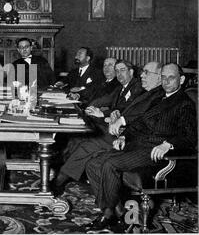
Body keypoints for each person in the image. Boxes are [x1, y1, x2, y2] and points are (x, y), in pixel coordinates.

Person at [85, 63, 197, 232]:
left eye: (171, 77)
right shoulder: (158, 98)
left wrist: (167, 144)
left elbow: (190, 137)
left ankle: (108, 216)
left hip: (154, 151)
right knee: (92, 164)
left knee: (110, 164)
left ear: (181, 79)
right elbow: (139, 123)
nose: (166, 81)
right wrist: (124, 136)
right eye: (163, 77)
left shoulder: (184, 103)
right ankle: (117, 212)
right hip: (137, 144)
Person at [52, 61, 163, 195]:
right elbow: (119, 107)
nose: (142, 76)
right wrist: (111, 114)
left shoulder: (147, 92)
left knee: (88, 143)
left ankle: (60, 179)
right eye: (117, 71)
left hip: (129, 137)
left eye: (122, 70)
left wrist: (113, 117)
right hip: (122, 131)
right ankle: (67, 174)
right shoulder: (144, 92)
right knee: (80, 137)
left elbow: (136, 116)